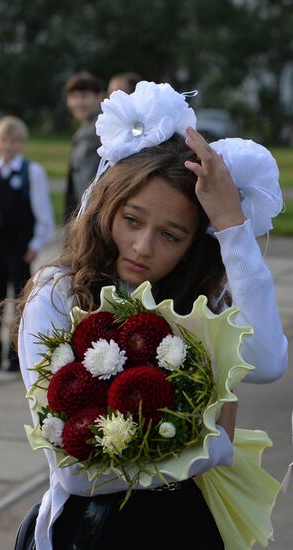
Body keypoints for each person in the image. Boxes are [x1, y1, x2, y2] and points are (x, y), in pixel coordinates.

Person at [16, 82, 288, 549]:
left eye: (171, 235)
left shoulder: (189, 296)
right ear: (107, 205)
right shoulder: (59, 295)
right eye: (133, 220)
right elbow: (78, 474)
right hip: (91, 530)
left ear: (190, 246)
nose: (143, 248)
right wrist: (213, 445)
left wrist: (230, 227)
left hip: (184, 525)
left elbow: (266, 361)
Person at [0, 115, 56, 372]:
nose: (8, 146)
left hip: (21, 246)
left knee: (19, 302)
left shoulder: (31, 172)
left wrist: (35, 244)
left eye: (13, 141)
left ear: (21, 143)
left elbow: (44, 215)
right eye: (3, 140)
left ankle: (15, 354)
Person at [63, 72, 105, 222]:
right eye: (73, 97)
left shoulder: (98, 131)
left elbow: (89, 185)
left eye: (84, 96)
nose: (78, 102)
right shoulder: (87, 128)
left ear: (99, 96)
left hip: (90, 216)